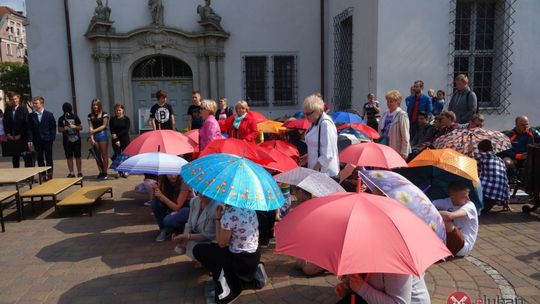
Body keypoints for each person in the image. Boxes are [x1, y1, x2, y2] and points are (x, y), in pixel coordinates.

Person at [193, 204, 267, 303]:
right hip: (253, 256)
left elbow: (221, 243)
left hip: (239, 260)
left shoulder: (229, 215)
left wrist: (218, 218)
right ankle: (249, 276)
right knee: (213, 248)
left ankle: (224, 279)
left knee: (199, 250)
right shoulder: (251, 209)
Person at [433, 182, 479, 257]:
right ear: (453, 197)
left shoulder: (470, 206)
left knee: (445, 222)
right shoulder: (447, 201)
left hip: (463, 247)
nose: (468, 199)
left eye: (467, 196)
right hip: (451, 242)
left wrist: (431, 212)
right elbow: (431, 203)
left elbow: (450, 216)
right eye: (464, 197)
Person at [299, 94, 339, 177]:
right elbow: (317, 146)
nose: (306, 116)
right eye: (305, 114)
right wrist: (308, 156)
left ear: (318, 110)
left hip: (325, 174)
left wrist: (316, 169)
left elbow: (328, 153)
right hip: (317, 171)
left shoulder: (326, 124)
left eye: (308, 114)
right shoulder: (315, 122)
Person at [172, 194, 218, 261]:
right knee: (185, 245)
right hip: (197, 235)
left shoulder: (217, 207)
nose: (202, 194)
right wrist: (184, 239)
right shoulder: (194, 201)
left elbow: (207, 235)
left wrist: (186, 236)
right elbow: (189, 223)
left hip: (212, 240)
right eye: (201, 190)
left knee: (196, 248)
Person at [335, 273, 430, 304]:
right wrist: (348, 287)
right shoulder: (360, 252)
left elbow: (399, 303)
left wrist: (362, 288)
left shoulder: (395, 261)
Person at [151, 174, 192, 242]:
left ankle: (179, 228)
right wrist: (155, 190)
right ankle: (164, 229)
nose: (173, 176)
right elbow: (155, 201)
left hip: (185, 207)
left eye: (175, 173)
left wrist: (161, 196)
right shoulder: (162, 180)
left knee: (168, 220)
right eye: (169, 174)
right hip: (172, 205)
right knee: (155, 203)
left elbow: (177, 207)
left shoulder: (184, 183)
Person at [476, 140, 510, 212]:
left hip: (484, 194)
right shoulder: (500, 160)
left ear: (480, 150)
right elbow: (506, 182)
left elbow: (474, 174)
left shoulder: (479, 157)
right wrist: (506, 203)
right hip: (496, 197)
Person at [27, 96, 56, 179]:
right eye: (34, 103)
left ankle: (49, 175)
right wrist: (30, 139)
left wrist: (52, 138)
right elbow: (29, 129)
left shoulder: (49, 115)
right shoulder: (31, 116)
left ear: (42, 104)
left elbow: (53, 127)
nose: (34, 105)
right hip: (37, 140)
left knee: (49, 158)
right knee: (40, 158)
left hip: (47, 140)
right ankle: (43, 175)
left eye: (36, 103)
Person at [378, 90, 411, 160]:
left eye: (391, 101)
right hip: (384, 145)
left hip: (396, 148)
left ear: (397, 102)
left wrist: (404, 152)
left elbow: (405, 135)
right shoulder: (385, 114)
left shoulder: (402, 115)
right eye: (388, 101)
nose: (389, 103)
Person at [3, 93, 30, 168]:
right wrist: (8, 134)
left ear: (18, 99)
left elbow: (26, 124)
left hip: (22, 137)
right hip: (11, 138)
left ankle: (28, 176)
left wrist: (20, 135)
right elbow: (5, 123)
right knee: (15, 158)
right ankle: (17, 176)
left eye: (16, 99)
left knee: (25, 157)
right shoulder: (7, 110)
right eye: (12, 99)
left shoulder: (24, 109)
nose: (14, 101)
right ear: (10, 100)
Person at [58, 102, 83, 178]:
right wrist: (64, 129)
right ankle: (71, 173)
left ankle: (79, 172)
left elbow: (81, 127)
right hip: (66, 141)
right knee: (69, 157)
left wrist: (74, 127)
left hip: (76, 140)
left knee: (78, 156)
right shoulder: (61, 118)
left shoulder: (75, 116)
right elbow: (59, 129)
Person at [88, 98, 110, 179]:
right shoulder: (90, 116)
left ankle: (105, 172)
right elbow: (90, 127)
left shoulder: (105, 114)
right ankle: (100, 172)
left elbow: (104, 125)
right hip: (94, 136)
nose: (95, 106)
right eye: (93, 105)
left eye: (96, 105)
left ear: (99, 105)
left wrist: (93, 131)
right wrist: (92, 138)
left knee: (104, 154)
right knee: (97, 155)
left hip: (102, 135)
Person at [109, 104, 131, 178]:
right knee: (117, 155)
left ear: (123, 110)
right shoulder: (112, 119)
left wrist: (117, 135)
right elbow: (112, 130)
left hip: (125, 139)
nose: (118, 111)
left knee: (125, 155)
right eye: (116, 110)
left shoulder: (126, 119)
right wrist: (116, 139)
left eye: (119, 110)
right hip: (115, 140)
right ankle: (119, 171)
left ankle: (126, 171)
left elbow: (126, 130)